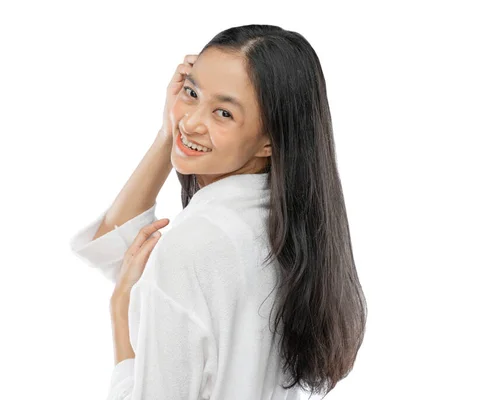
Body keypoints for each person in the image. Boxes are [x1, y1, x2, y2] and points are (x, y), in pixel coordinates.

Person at [70, 24, 367, 400]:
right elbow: (117, 247)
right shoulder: (282, 226)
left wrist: (120, 316)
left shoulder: (193, 245)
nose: (192, 121)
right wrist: (169, 133)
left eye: (223, 113)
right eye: (190, 93)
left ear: (269, 140)